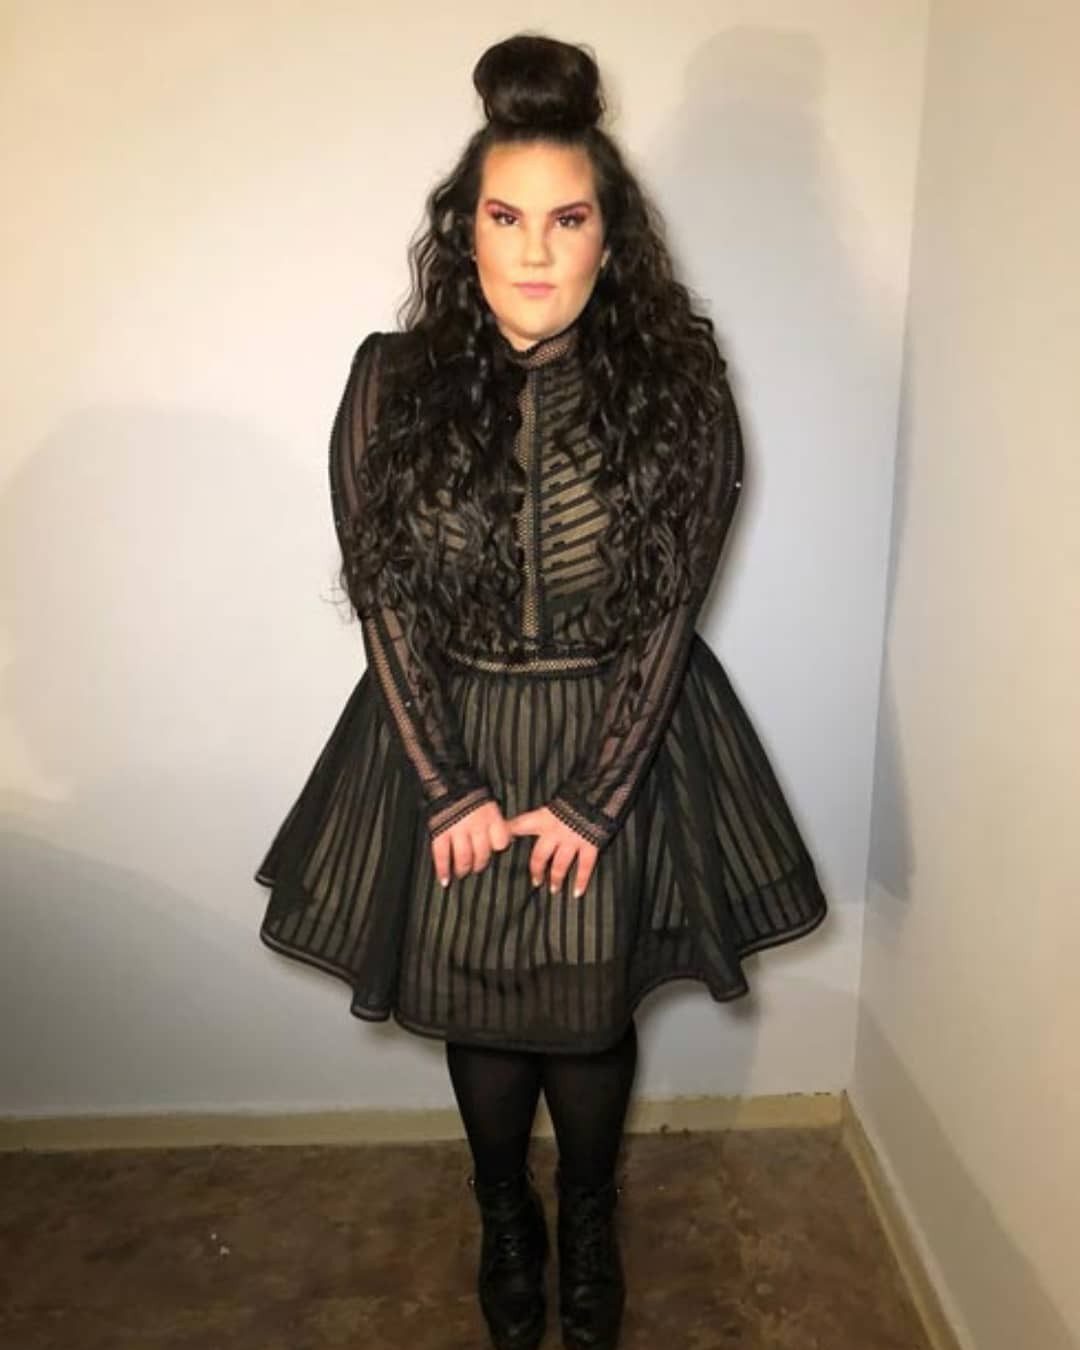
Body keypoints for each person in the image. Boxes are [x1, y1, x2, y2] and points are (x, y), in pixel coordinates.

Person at [254, 31, 828, 1350]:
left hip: (623, 731)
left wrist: (594, 798)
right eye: (505, 217)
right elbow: (385, 598)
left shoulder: (683, 384)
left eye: (566, 220)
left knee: (583, 1006)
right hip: (441, 732)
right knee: (481, 998)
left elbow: (673, 609)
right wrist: (445, 786)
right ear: (465, 233)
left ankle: (592, 1211)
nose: (533, 252)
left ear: (609, 240)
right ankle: (504, 1212)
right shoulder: (388, 382)